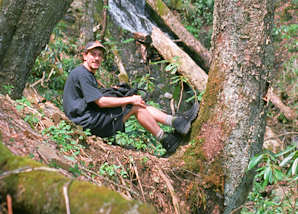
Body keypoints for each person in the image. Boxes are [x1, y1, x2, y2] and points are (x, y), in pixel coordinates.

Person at [63, 40, 199, 155]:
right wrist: (130, 99)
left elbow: (93, 99)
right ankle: (165, 139)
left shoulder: (84, 73)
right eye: (93, 54)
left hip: (89, 118)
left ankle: (176, 122)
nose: (97, 58)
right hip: (85, 123)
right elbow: (101, 102)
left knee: (135, 102)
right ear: (84, 56)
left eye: (100, 55)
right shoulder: (83, 74)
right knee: (135, 105)